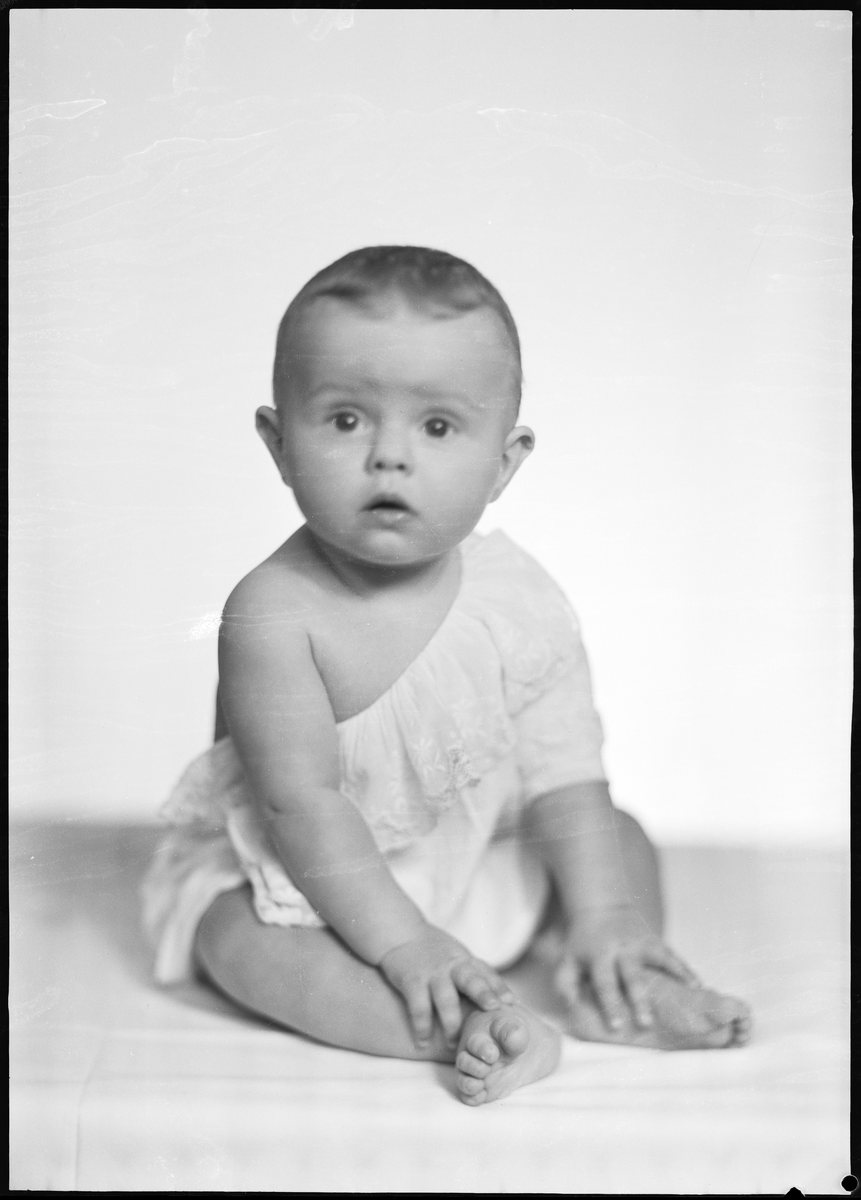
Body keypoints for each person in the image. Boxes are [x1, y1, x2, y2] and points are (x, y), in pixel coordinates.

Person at [142, 246, 751, 1106]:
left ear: (503, 462)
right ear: (278, 444)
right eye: (345, 420)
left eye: (436, 427)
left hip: (470, 863)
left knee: (617, 837)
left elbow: (563, 766)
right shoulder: (273, 614)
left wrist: (602, 911)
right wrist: (406, 946)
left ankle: (616, 979)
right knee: (234, 940)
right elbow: (300, 809)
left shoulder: (515, 596)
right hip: (313, 891)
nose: (389, 456)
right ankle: (471, 1029)